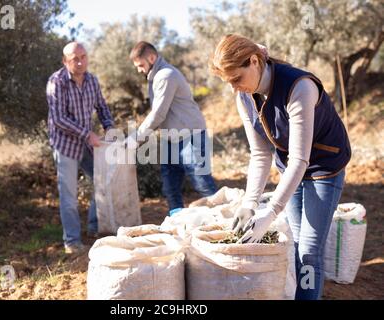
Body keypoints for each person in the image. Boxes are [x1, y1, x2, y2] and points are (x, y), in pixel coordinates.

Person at [210, 34, 351, 300]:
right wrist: (250, 204)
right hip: (291, 166)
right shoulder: (245, 96)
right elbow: (260, 153)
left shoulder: (300, 87)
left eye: (236, 79)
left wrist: (271, 212)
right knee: (298, 242)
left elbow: (301, 159)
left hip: (323, 165)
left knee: (309, 250)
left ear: (254, 61)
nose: (233, 88)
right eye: (228, 82)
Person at [129, 41, 217, 215]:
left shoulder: (166, 75)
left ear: (152, 58)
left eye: (140, 65)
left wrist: (135, 138)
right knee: (170, 189)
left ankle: (227, 222)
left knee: (203, 184)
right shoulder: (155, 76)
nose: (139, 70)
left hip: (190, 136)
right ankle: (177, 224)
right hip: (171, 138)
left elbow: (158, 114)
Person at [46, 42, 114, 254]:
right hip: (66, 144)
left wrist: (109, 127)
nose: (80, 62)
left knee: (101, 181)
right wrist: (88, 134)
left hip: (87, 142)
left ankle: (95, 227)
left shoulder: (92, 80)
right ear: (65, 61)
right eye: (75, 59)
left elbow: (101, 106)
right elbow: (58, 119)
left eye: (83, 56)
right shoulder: (56, 82)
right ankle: (72, 241)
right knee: (69, 194)